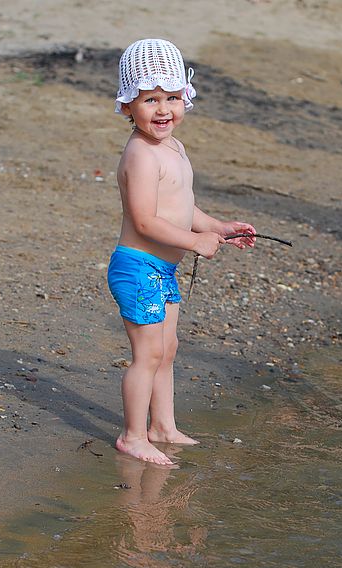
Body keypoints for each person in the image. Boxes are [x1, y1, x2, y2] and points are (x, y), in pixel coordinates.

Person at [107, 39, 256, 465]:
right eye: (150, 99)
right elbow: (145, 221)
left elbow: (181, 205)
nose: (163, 109)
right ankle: (133, 435)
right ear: (127, 107)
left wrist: (215, 227)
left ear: (185, 99)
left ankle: (163, 426)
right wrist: (194, 242)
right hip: (137, 267)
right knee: (148, 354)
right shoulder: (140, 154)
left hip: (162, 269)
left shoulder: (174, 147)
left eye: (172, 97)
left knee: (167, 350)